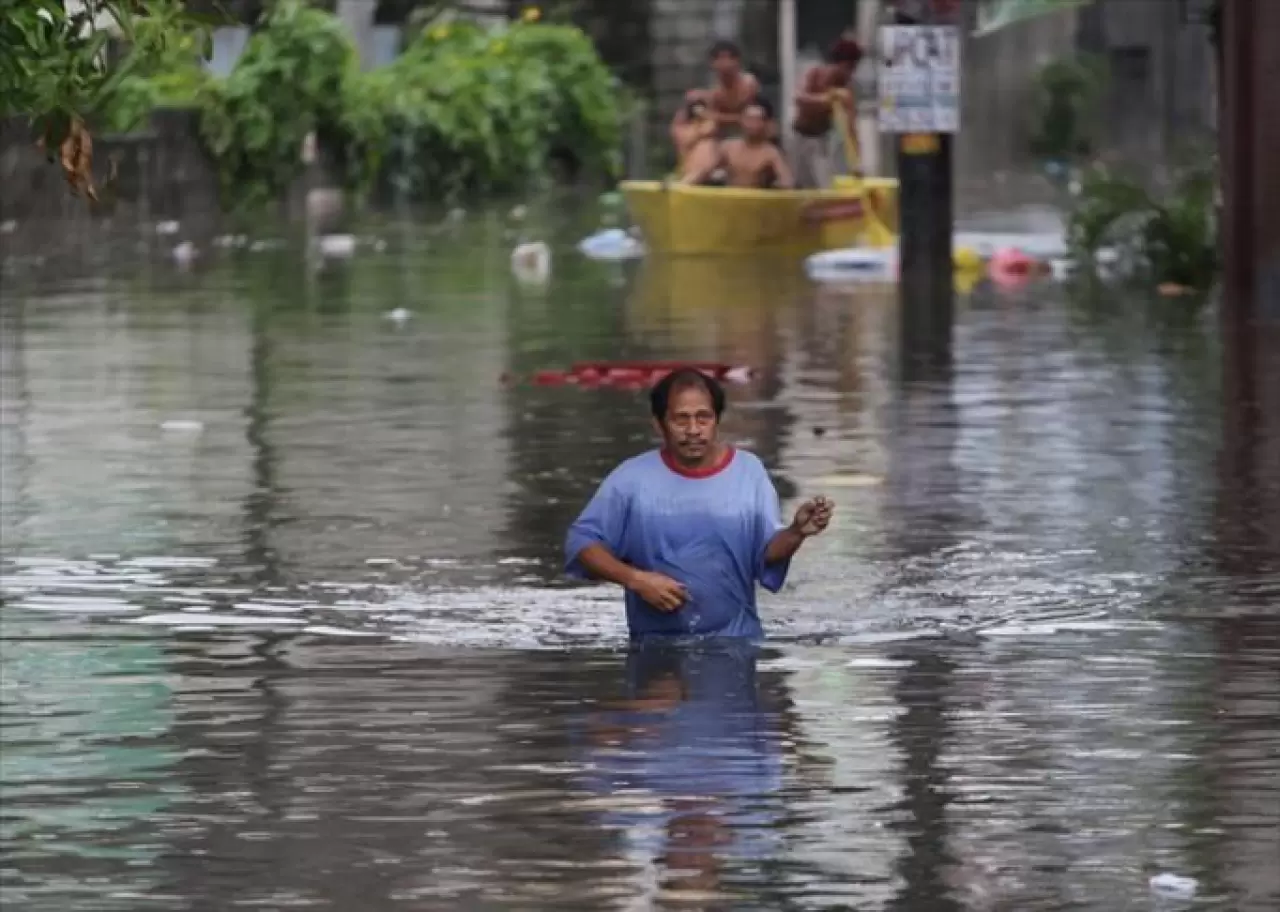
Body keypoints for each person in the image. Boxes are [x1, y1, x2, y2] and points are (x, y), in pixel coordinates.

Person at [564, 368, 833, 640]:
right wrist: (637, 580)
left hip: (736, 643)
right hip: (654, 649)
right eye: (681, 420)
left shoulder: (748, 472)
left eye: (703, 418)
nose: (693, 430)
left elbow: (764, 553)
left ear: (716, 420)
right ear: (659, 424)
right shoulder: (631, 479)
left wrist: (796, 533)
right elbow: (582, 543)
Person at [790, 37, 863, 189]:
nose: (852, 73)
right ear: (844, 65)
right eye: (851, 68)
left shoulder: (846, 90)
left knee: (824, 185)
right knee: (796, 185)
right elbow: (799, 97)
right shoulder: (814, 73)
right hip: (798, 136)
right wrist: (828, 99)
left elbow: (851, 128)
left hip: (820, 140)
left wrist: (857, 162)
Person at [719, 98, 794, 189]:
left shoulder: (771, 153)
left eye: (757, 119)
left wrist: (778, 186)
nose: (752, 124)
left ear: (764, 123)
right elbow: (704, 170)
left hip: (757, 200)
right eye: (749, 119)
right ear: (742, 121)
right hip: (730, 199)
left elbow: (787, 181)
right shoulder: (728, 147)